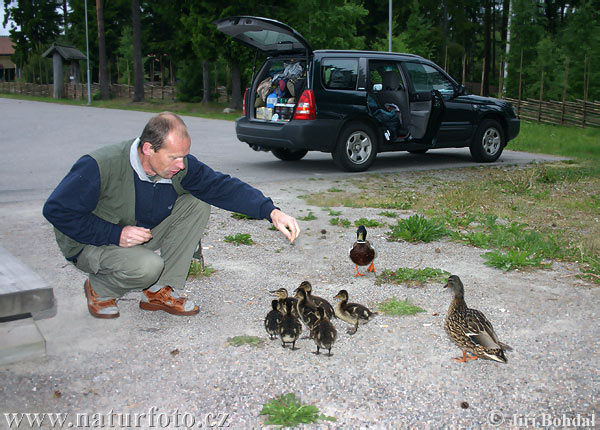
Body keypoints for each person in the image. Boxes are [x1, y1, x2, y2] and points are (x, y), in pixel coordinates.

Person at [43, 112, 300, 319]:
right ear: (148, 149)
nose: (181, 165)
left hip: (137, 233)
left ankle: (158, 291)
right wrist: (114, 233)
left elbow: (222, 186)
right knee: (148, 267)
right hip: (91, 242)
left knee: (197, 201)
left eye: (184, 156)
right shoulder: (100, 164)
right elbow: (56, 210)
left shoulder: (178, 167)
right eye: (174, 157)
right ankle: (100, 289)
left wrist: (271, 212)